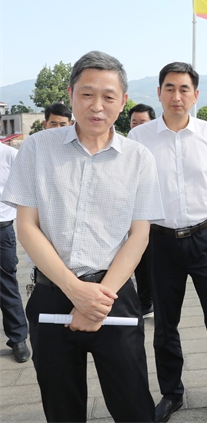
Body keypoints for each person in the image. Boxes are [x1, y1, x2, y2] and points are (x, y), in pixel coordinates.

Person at [2, 51, 163, 422]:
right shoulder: (37, 148)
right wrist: (75, 290)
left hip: (114, 295)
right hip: (52, 291)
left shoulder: (139, 158)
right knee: (62, 407)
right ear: (71, 94)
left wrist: (98, 299)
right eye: (87, 94)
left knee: (134, 405)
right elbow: (27, 226)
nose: (97, 105)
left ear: (123, 101)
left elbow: (139, 235)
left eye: (108, 96)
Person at [129, 62, 207, 423]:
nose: (176, 96)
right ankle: (171, 393)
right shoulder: (140, 138)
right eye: (169, 88)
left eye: (184, 89)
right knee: (165, 325)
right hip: (160, 242)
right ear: (159, 93)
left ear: (195, 95)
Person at [0, 142, 30, 363]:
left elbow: (27, 189)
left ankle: (18, 338)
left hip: (1, 230)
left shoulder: (10, 154)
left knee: (7, 286)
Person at [128, 103, 157, 318]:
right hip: (137, 216)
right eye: (134, 122)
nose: (137, 126)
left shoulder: (158, 146)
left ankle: (155, 302)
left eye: (142, 122)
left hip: (161, 221)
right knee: (140, 262)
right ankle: (144, 302)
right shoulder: (128, 146)